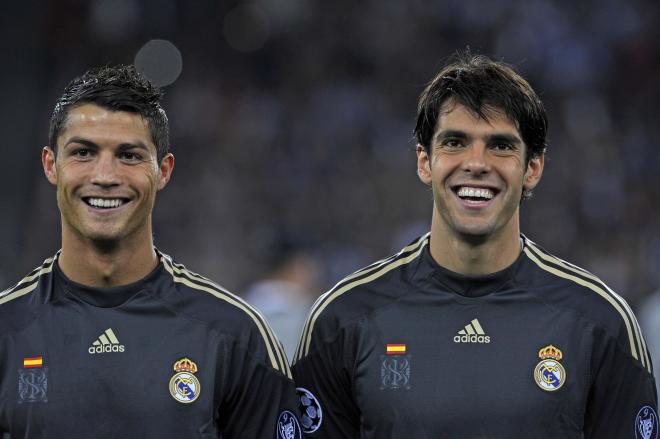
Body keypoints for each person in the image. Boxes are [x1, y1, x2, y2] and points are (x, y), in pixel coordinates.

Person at [291, 52, 658, 438]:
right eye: (455, 142)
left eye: (500, 146)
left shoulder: (600, 321)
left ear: (533, 168)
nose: (476, 163)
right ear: (424, 161)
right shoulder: (343, 319)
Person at [0, 65, 302, 438]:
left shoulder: (234, 334)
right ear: (51, 165)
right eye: (83, 152)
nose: (106, 176)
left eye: (129, 155)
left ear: (163, 171)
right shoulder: (7, 329)